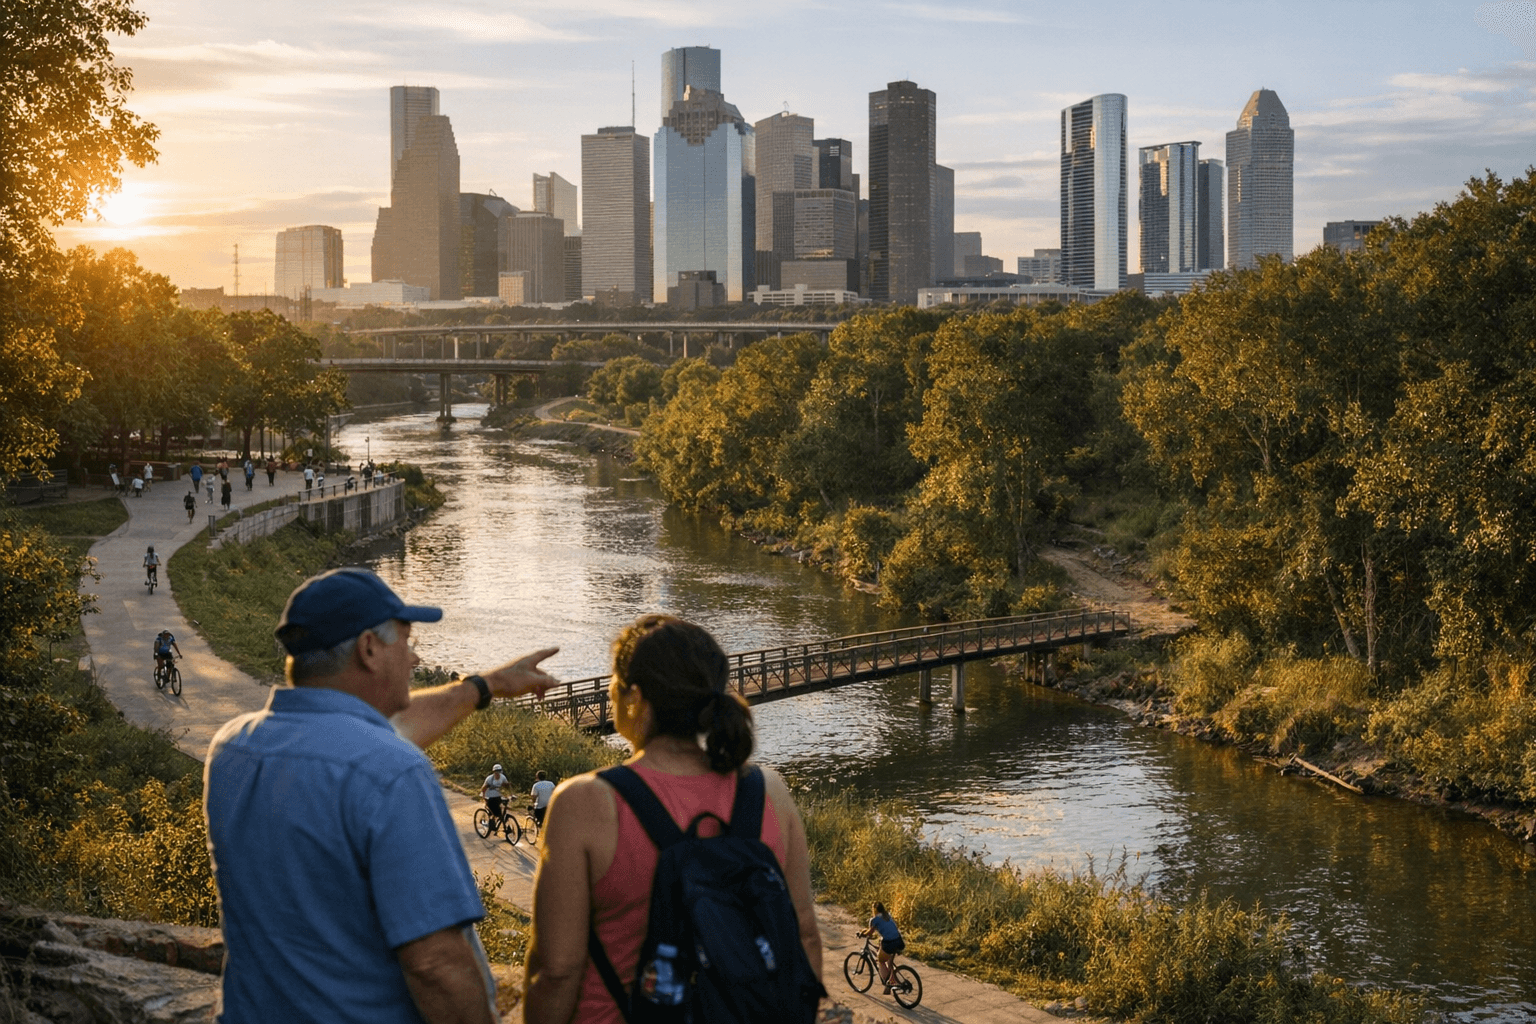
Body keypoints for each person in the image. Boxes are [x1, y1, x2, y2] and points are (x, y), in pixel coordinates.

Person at [203, 567, 559, 1024]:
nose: (414, 658)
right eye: (407, 641)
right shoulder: (390, 769)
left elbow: (379, 733)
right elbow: (434, 963)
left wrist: (485, 686)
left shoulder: (234, 747)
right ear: (370, 649)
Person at [523, 614, 823, 1024]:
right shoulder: (768, 791)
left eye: (615, 683)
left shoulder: (584, 803)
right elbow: (803, 934)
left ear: (635, 698)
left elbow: (556, 971)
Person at [859, 903, 905, 992]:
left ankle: (887, 983)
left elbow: (870, 933)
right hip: (899, 941)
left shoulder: (874, 920)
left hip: (889, 943)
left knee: (881, 960)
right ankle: (893, 981)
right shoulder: (887, 915)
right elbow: (889, 929)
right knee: (889, 961)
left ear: (874, 910)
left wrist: (862, 934)